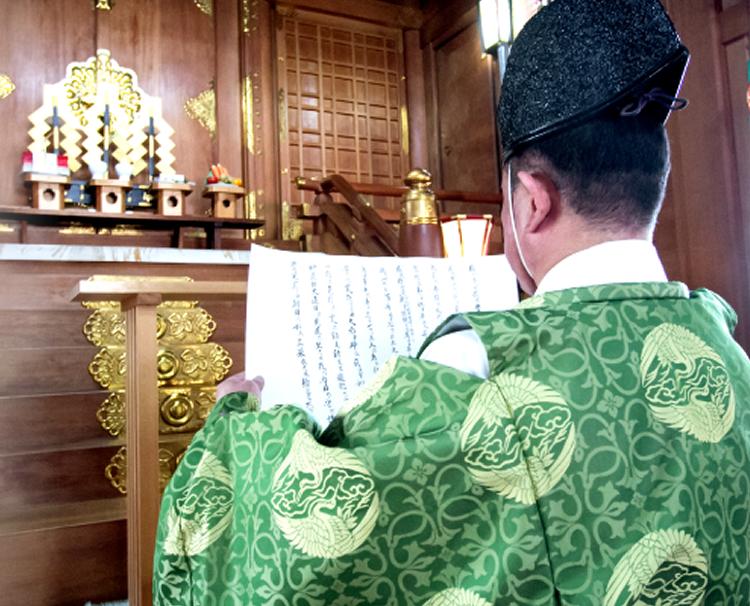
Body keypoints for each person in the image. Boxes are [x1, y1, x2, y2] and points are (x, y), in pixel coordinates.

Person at [153, 0, 750, 604]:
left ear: (533, 200)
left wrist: (236, 425)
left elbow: (296, 548)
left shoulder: (474, 367)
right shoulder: (733, 360)